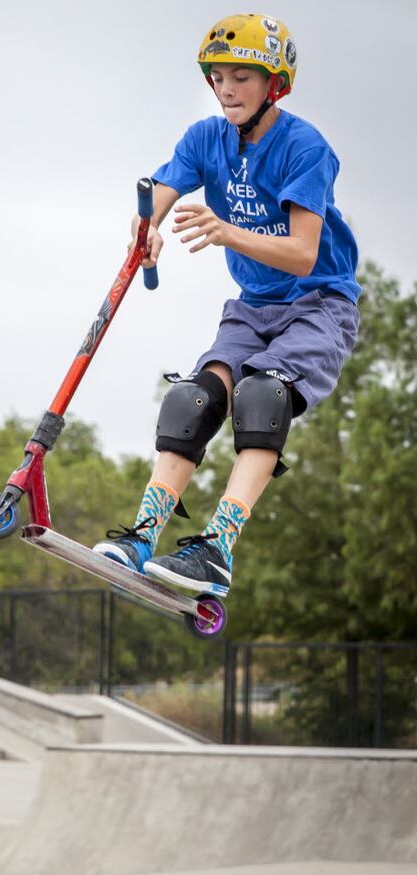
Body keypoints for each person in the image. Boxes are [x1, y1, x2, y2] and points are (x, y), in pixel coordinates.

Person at [94, 13, 359, 597]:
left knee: (262, 395)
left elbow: (303, 254)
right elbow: (154, 202)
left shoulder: (306, 147)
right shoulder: (202, 140)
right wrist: (147, 233)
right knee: (192, 399)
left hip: (319, 304)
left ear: (275, 85)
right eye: (218, 77)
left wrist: (224, 230)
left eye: (242, 76)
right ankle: (142, 536)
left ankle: (216, 548)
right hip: (253, 306)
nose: (227, 89)